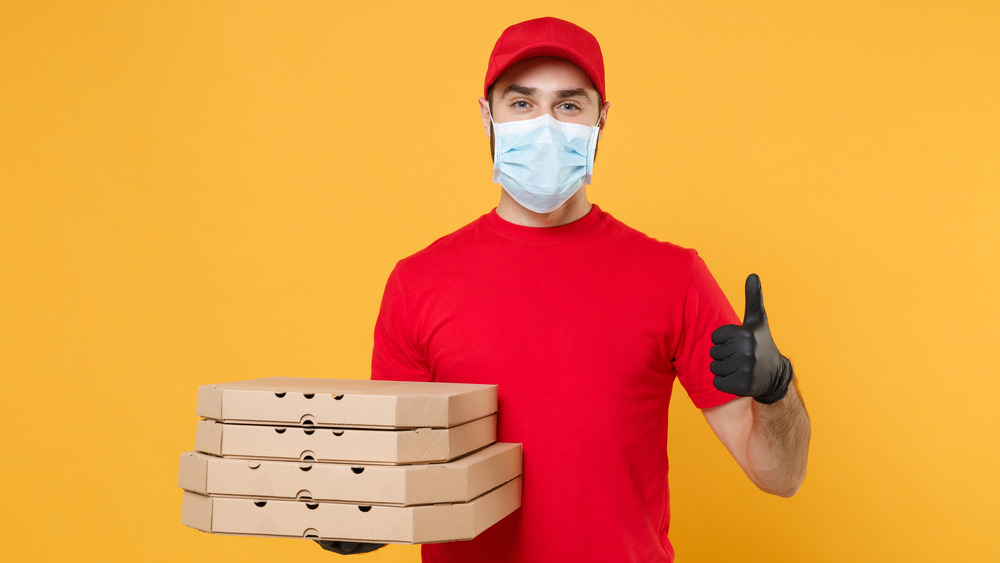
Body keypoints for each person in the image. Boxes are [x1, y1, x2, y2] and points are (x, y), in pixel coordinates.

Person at [318, 16, 810, 562]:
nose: (545, 125)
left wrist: (777, 389)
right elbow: (403, 468)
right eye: (522, 103)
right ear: (488, 117)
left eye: (569, 105)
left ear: (602, 118)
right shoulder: (418, 283)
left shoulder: (675, 276)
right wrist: (362, 514)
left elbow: (780, 477)